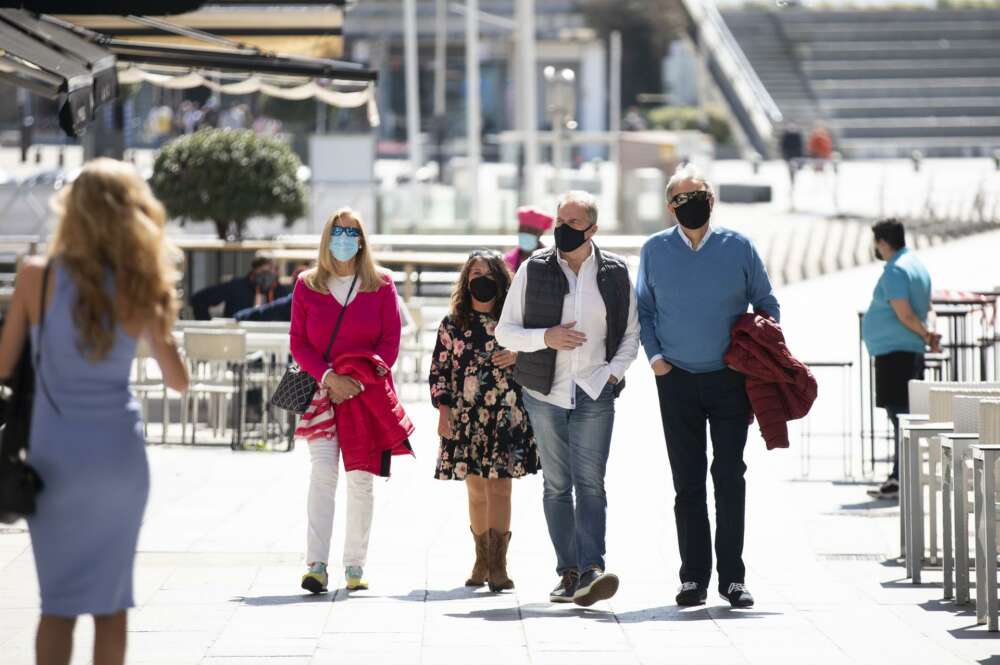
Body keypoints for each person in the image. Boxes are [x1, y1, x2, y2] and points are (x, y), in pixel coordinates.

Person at [0, 158, 189, 665]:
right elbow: (178, 381)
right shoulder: (140, 285)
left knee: (57, 606)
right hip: (118, 457)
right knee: (111, 606)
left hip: (54, 456)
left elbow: (3, 364)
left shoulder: (35, 278)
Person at [636, 164, 780, 609]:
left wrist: (761, 349)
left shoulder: (738, 246)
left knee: (730, 475)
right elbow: (644, 309)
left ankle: (733, 578)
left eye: (697, 196)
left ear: (711, 200)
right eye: (680, 199)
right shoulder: (655, 249)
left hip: (730, 380)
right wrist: (656, 358)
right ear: (668, 205)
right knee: (688, 482)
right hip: (675, 378)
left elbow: (767, 302)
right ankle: (692, 578)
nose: (689, 205)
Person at [496, 190, 640, 607]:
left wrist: (612, 375)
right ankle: (569, 572)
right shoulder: (532, 269)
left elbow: (631, 334)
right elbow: (506, 332)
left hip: (596, 389)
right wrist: (546, 337)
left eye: (573, 224)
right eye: (560, 221)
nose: (562, 230)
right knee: (557, 484)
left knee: (591, 483)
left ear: (593, 229)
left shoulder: (614, 271)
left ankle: (593, 568)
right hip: (545, 392)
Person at [290, 208, 413, 595]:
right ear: (327, 238)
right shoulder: (307, 284)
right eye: (337, 231)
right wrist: (329, 378)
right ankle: (316, 564)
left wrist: (359, 380)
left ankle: (355, 564)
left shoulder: (381, 284)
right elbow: (299, 342)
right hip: (322, 393)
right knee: (322, 475)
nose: (344, 238)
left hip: (365, 395)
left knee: (360, 480)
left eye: (351, 232)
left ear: (361, 239)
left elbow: (390, 341)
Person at [429, 250, 540, 592]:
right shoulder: (452, 323)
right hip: (466, 415)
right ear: (466, 280)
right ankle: (480, 560)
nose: (482, 280)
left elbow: (542, 354)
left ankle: (499, 564)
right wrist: (444, 412)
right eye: (475, 273)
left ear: (501, 281)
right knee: (476, 487)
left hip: (507, 412)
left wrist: (519, 355)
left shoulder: (515, 322)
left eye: (489, 274)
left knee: (501, 486)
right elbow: (439, 371)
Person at [861, 218, 937, 500]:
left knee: (900, 416)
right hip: (905, 350)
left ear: (882, 243)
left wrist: (926, 334)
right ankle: (901, 475)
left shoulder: (895, 270)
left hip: (896, 353)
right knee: (905, 416)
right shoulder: (916, 264)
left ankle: (900, 477)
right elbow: (927, 306)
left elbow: (905, 314)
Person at [190, 254, 289, 320]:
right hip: (236, 340)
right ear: (253, 271)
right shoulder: (237, 287)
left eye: (272, 271)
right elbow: (199, 299)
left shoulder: (281, 292)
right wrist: (209, 329)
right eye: (263, 272)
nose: (267, 277)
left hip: (273, 343)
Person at [504, 206, 553, 273]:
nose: (525, 233)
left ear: (540, 233)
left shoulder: (551, 259)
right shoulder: (507, 260)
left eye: (530, 230)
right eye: (522, 229)